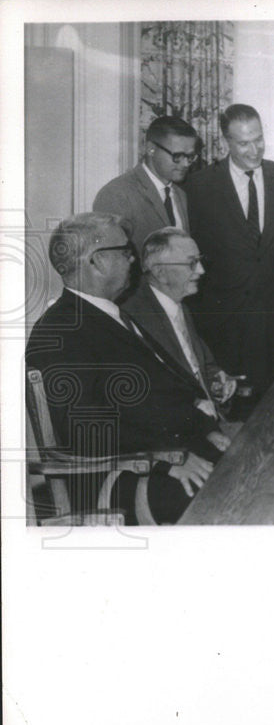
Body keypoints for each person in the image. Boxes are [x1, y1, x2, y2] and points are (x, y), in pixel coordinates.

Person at [25, 213, 230, 525]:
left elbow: (164, 391)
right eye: (124, 251)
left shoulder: (111, 314)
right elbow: (83, 425)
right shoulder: (61, 330)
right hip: (118, 476)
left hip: (165, 455)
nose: (133, 259)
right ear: (97, 262)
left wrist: (206, 429)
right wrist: (164, 461)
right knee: (241, 494)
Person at [185, 103, 274, 395]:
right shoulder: (200, 185)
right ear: (226, 142)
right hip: (224, 323)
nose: (254, 150)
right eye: (244, 143)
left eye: (259, 139)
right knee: (233, 413)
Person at [121, 227, 238, 419]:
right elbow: (146, 391)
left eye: (200, 261)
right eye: (191, 263)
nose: (201, 270)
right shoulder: (133, 316)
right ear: (160, 272)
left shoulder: (180, 304)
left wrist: (218, 381)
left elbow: (203, 366)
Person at [93, 115, 198, 249]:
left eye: (190, 156)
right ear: (150, 149)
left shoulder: (180, 193)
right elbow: (109, 259)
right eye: (177, 156)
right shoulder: (116, 194)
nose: (185, 164)